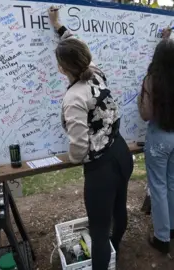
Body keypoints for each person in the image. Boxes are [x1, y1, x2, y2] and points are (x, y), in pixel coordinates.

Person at [48, 7, 134, 269]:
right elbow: (79, 46)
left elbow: (79, 144)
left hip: (101, 168)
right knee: (119, 207)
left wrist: (73, 159)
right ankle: (115, 250)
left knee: (98, 228)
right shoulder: (95, 71)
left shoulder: (74, 98)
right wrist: (58, 26)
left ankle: (104, 260)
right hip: (121, 153)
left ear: (62, 69)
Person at [138, 28, 174, 254]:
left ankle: (161, 238)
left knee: (158, 186)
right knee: (173, 182)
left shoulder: (151, 80)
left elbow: (146, 114)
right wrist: (166, 39)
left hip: (159, 136)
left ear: (156, 58)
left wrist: (141, 100)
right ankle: (170, 228)